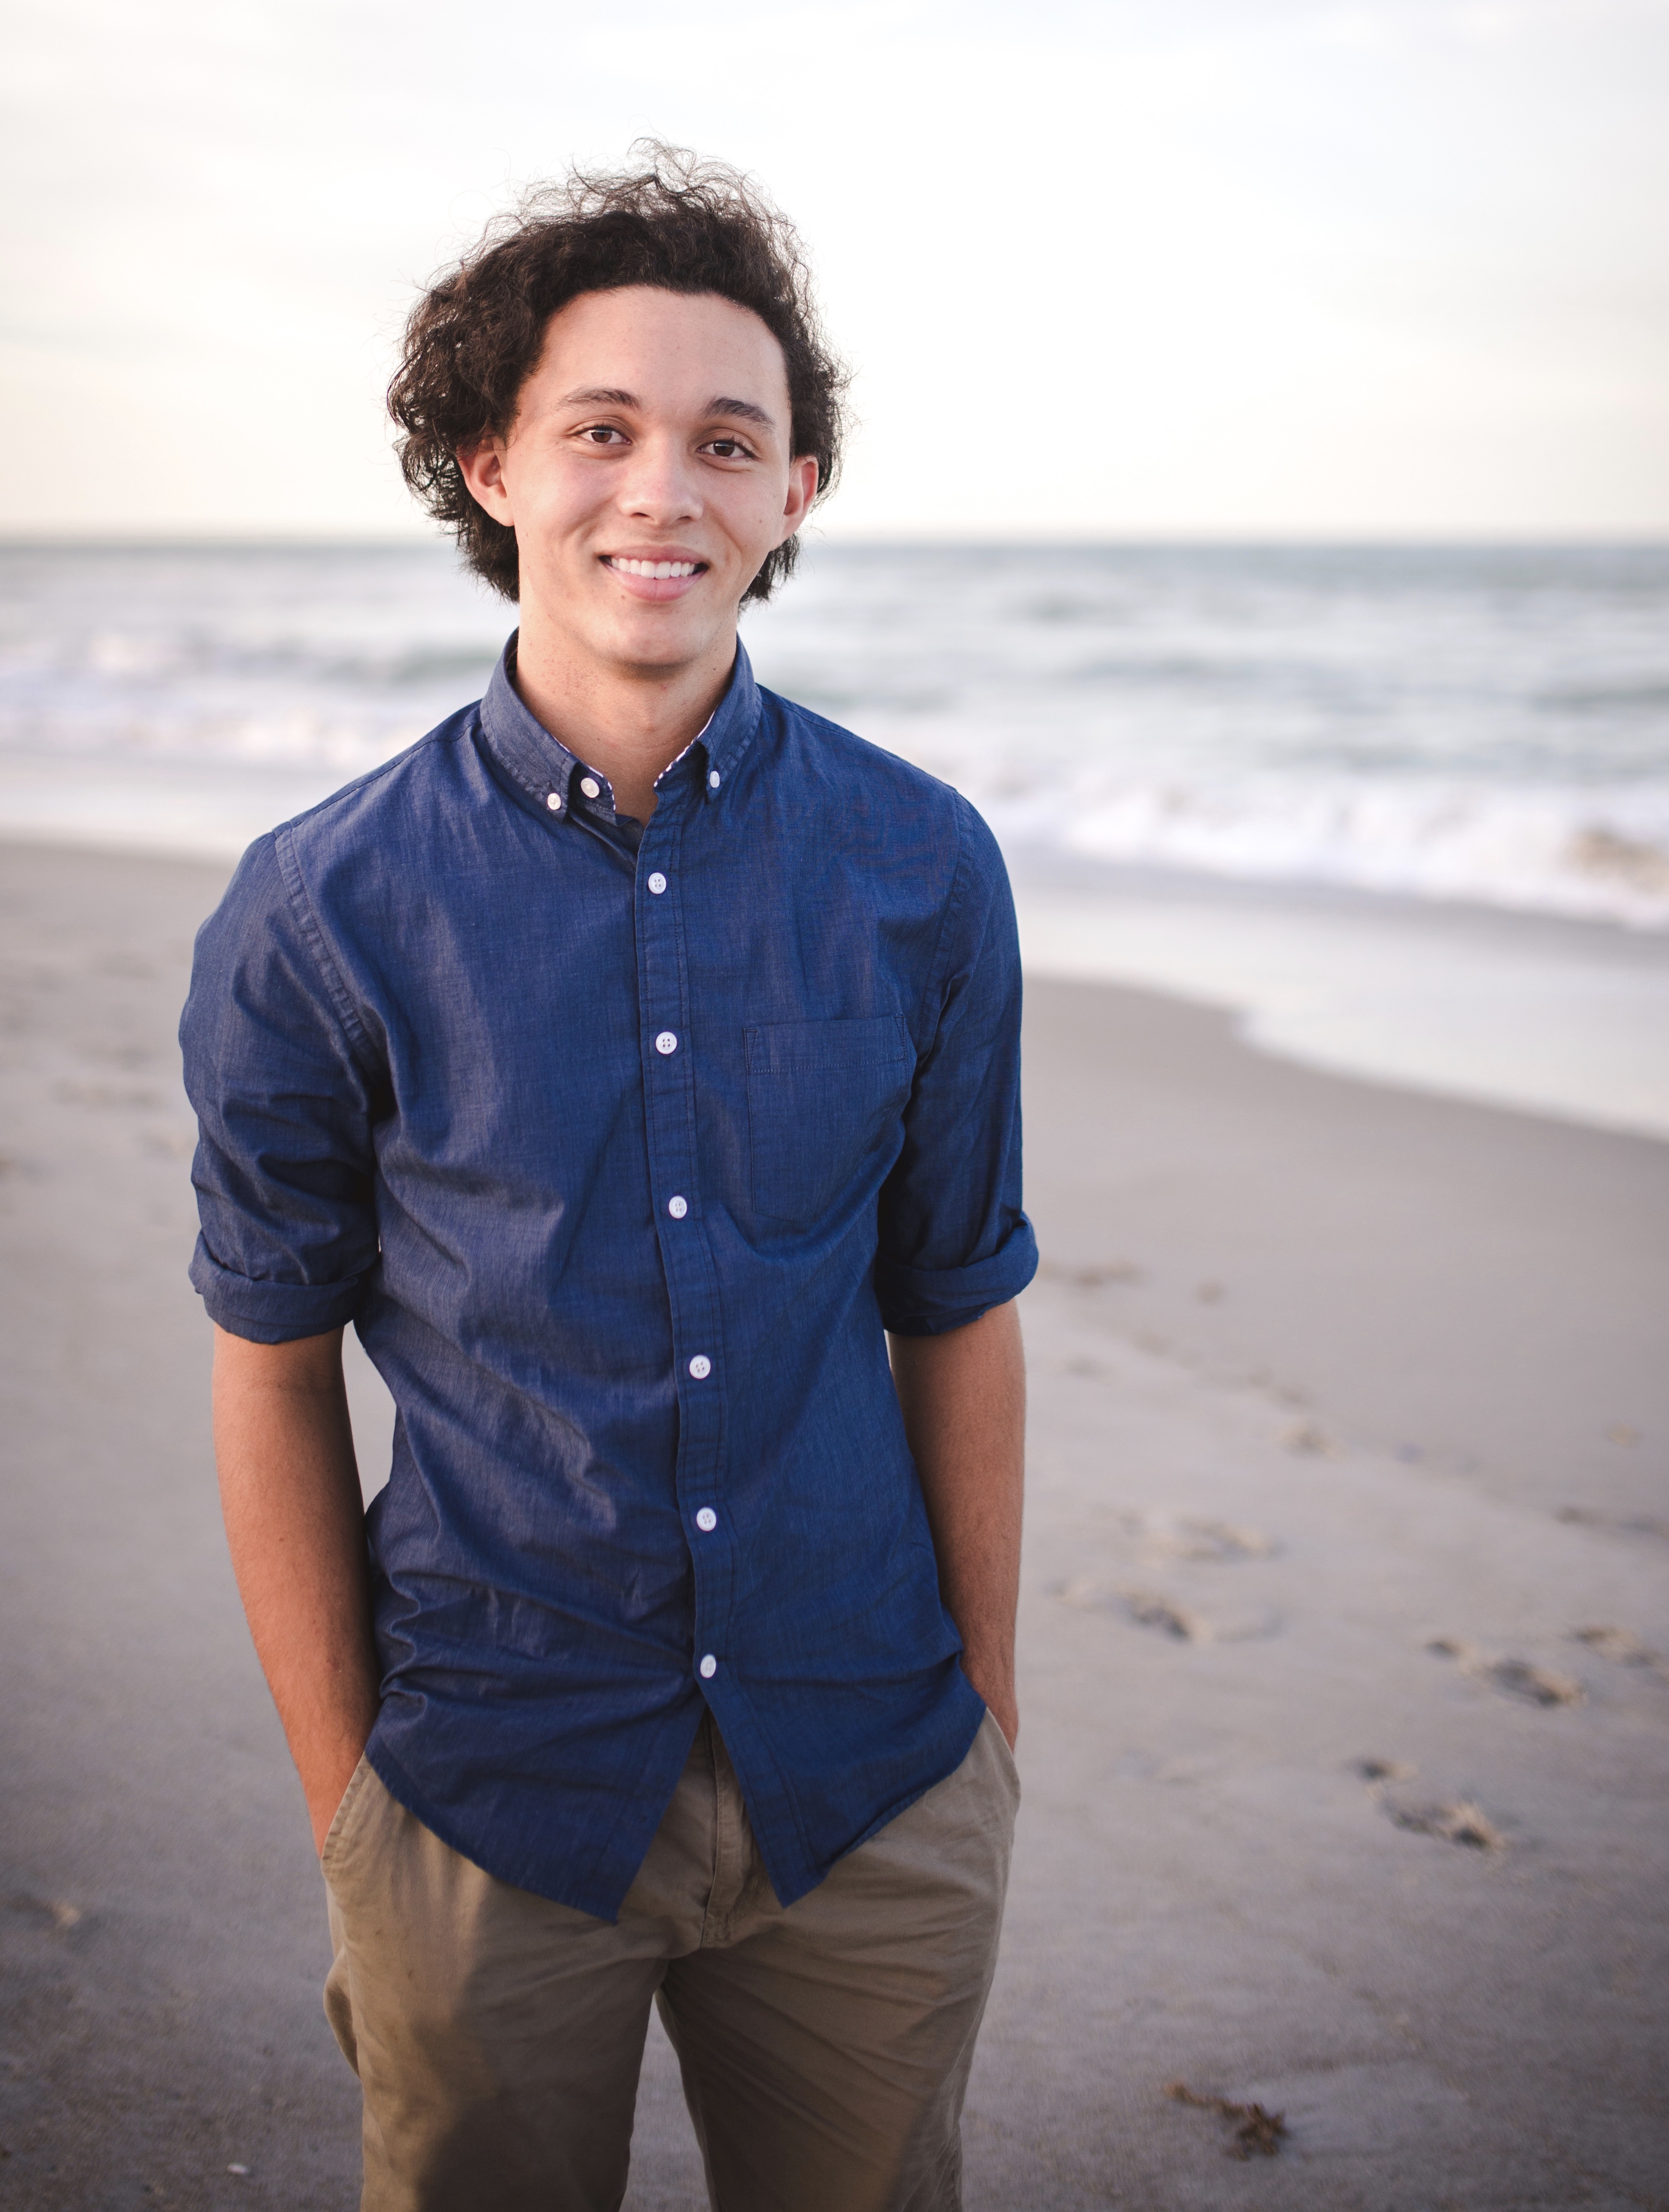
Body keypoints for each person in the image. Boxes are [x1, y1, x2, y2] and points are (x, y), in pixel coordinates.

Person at [181, 148, 1035, 2212]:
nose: (663, 489)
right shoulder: (318, 911)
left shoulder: (925, 871)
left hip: (874, 1777)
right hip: (485, 1794)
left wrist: (988, 1740)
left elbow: (962, 1307)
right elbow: (273, 1366)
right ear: (491, 466)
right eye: (600, 430)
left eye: (726, 441)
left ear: (795, 491)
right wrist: (349, 1810)